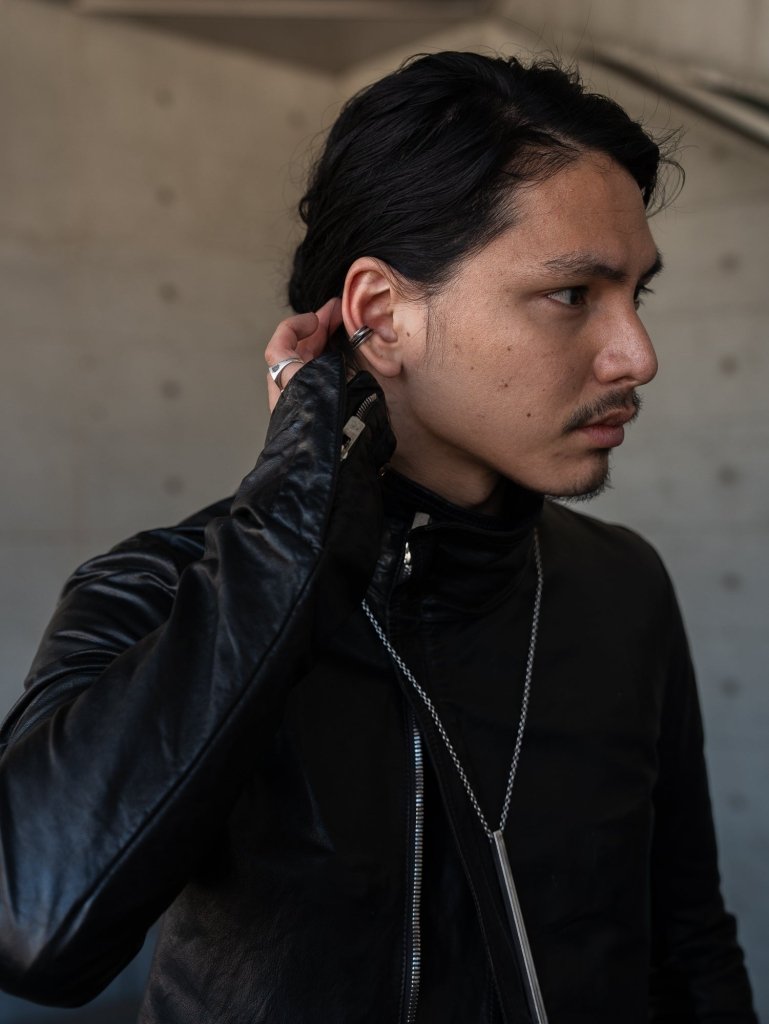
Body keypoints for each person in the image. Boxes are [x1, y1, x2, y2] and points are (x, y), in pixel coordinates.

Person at [0, 51, 758, 1024]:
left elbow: (687, 942)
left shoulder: (621, 584)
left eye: (635, 296)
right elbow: (36, 923)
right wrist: (295, 519)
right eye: (573, 294)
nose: (637, 356)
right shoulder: (161, 590)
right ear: (382, 317)